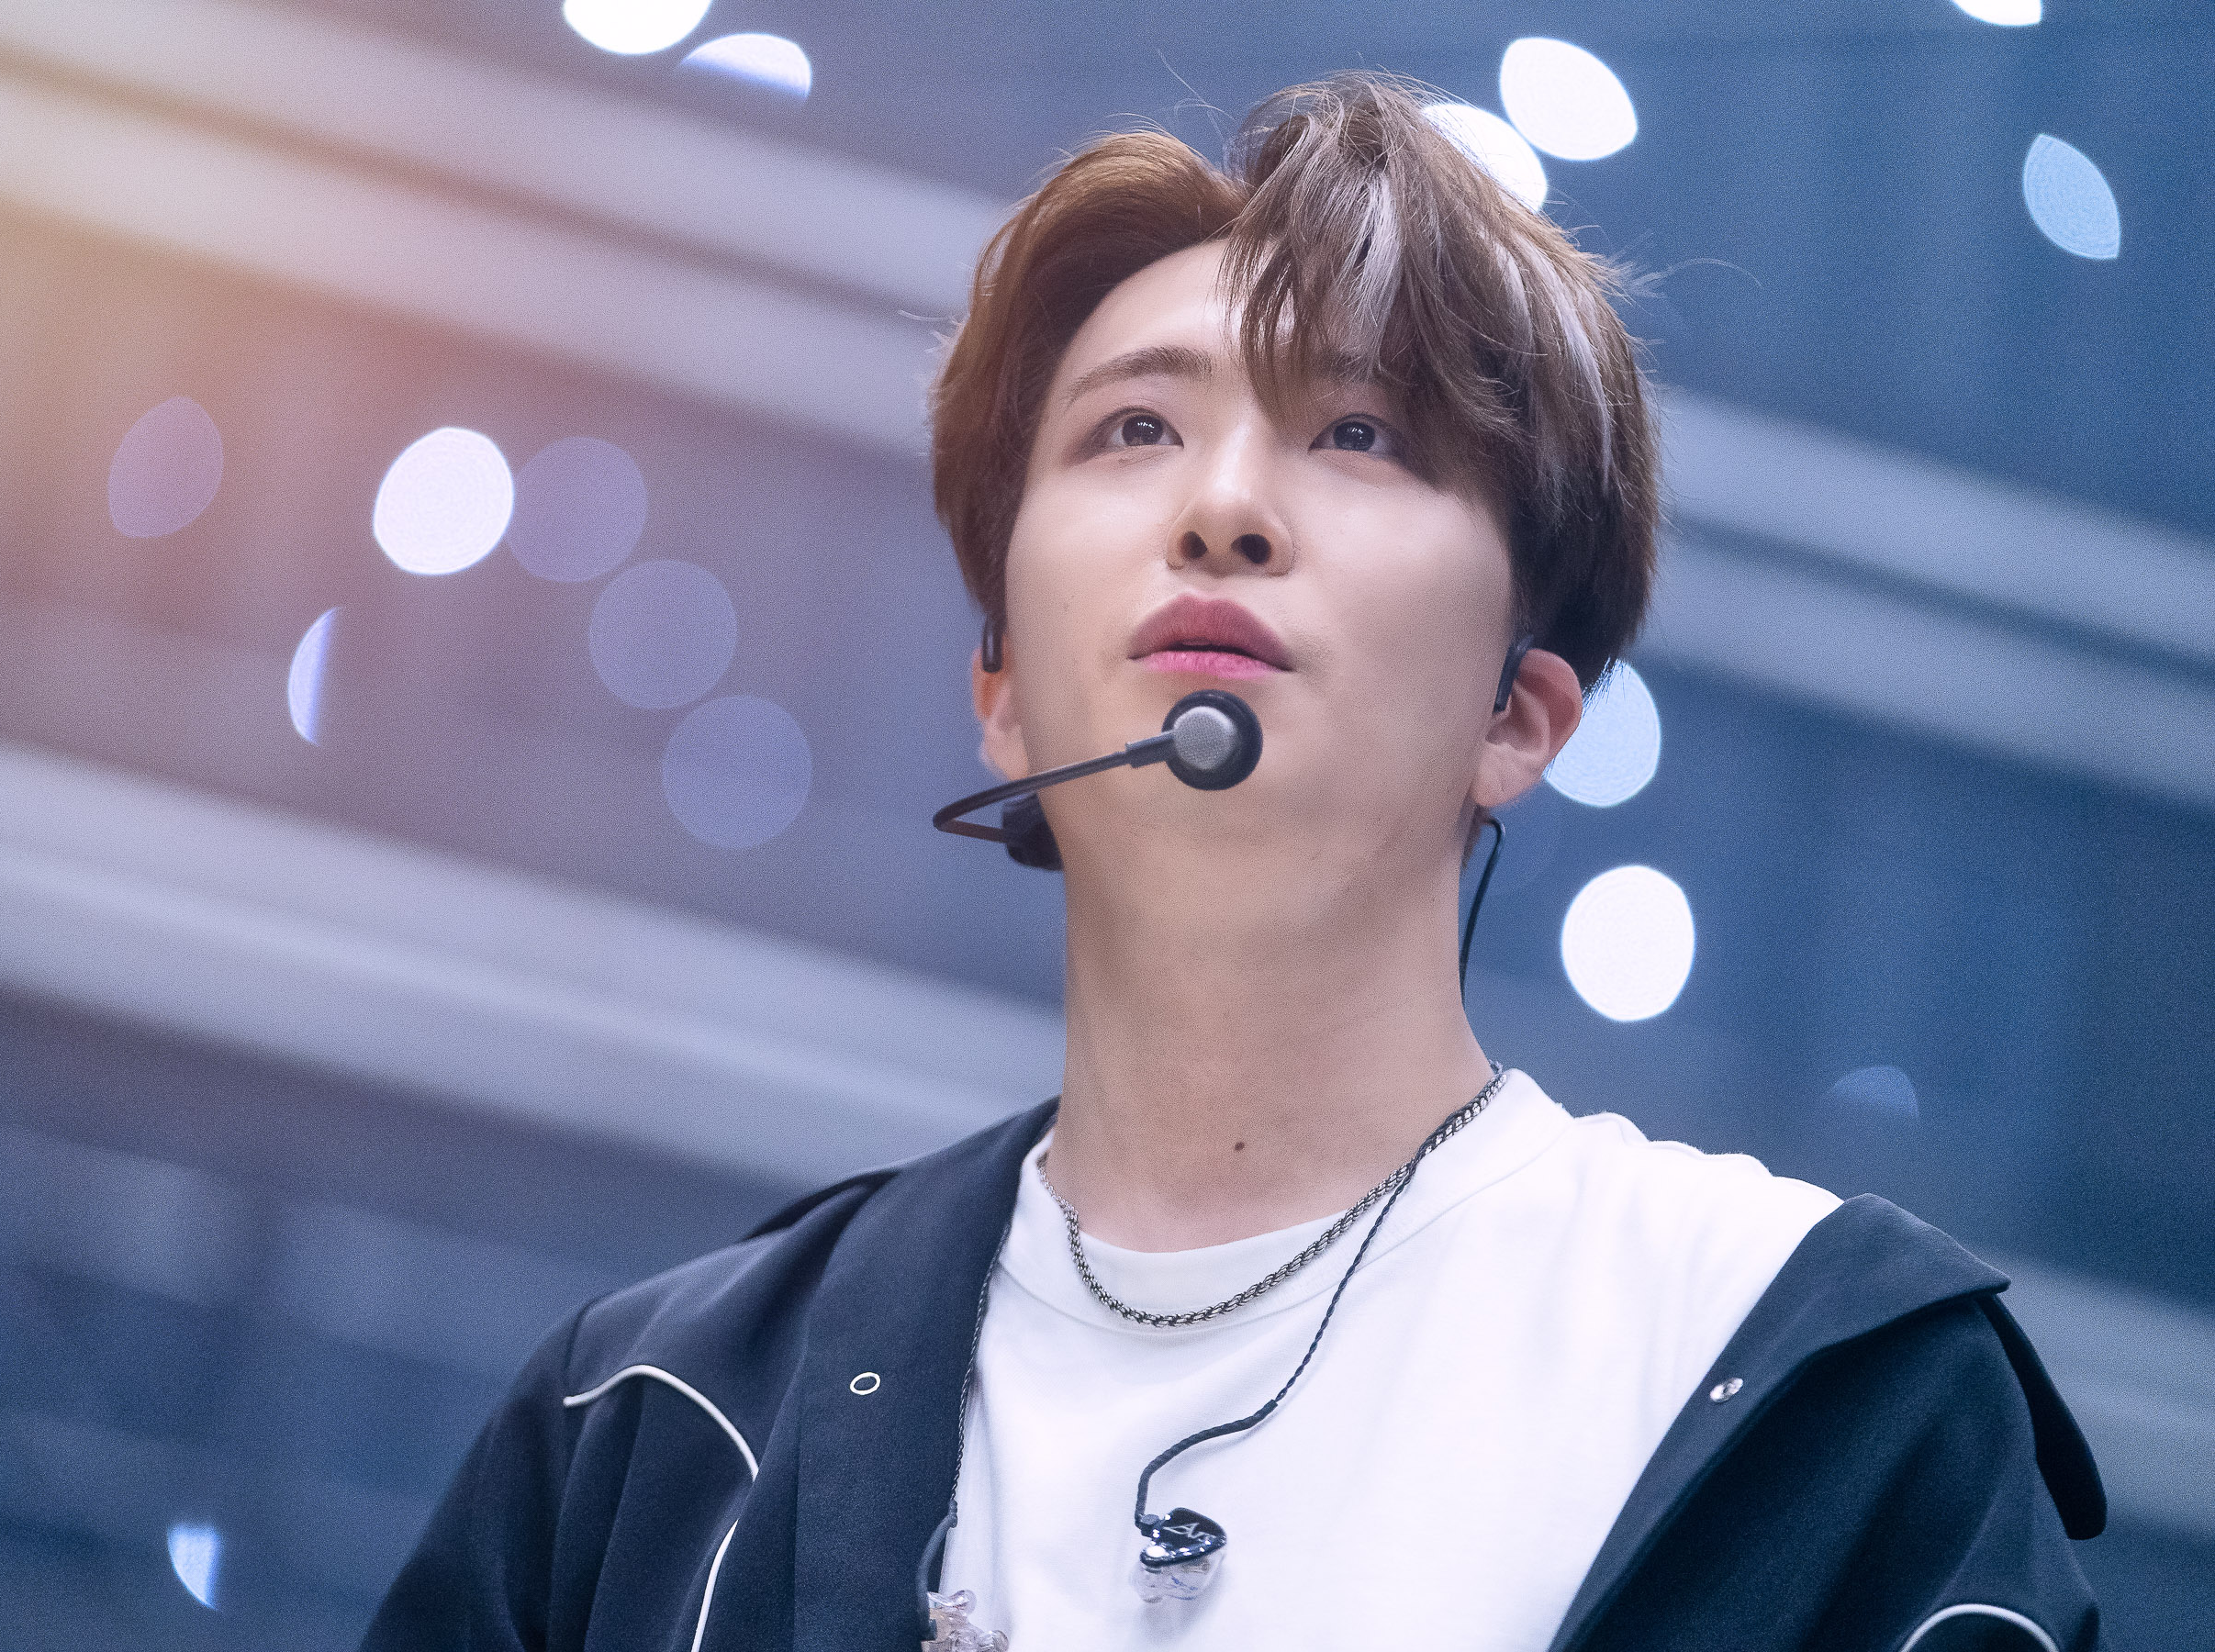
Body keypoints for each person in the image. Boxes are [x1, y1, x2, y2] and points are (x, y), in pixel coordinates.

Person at [362, 73, 2102, 1652]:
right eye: (1134, 429)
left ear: (1520, 717)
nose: (1223, 506)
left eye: (1358, 434)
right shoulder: (654, 1425)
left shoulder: (1808, 1380)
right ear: (1001, 694)